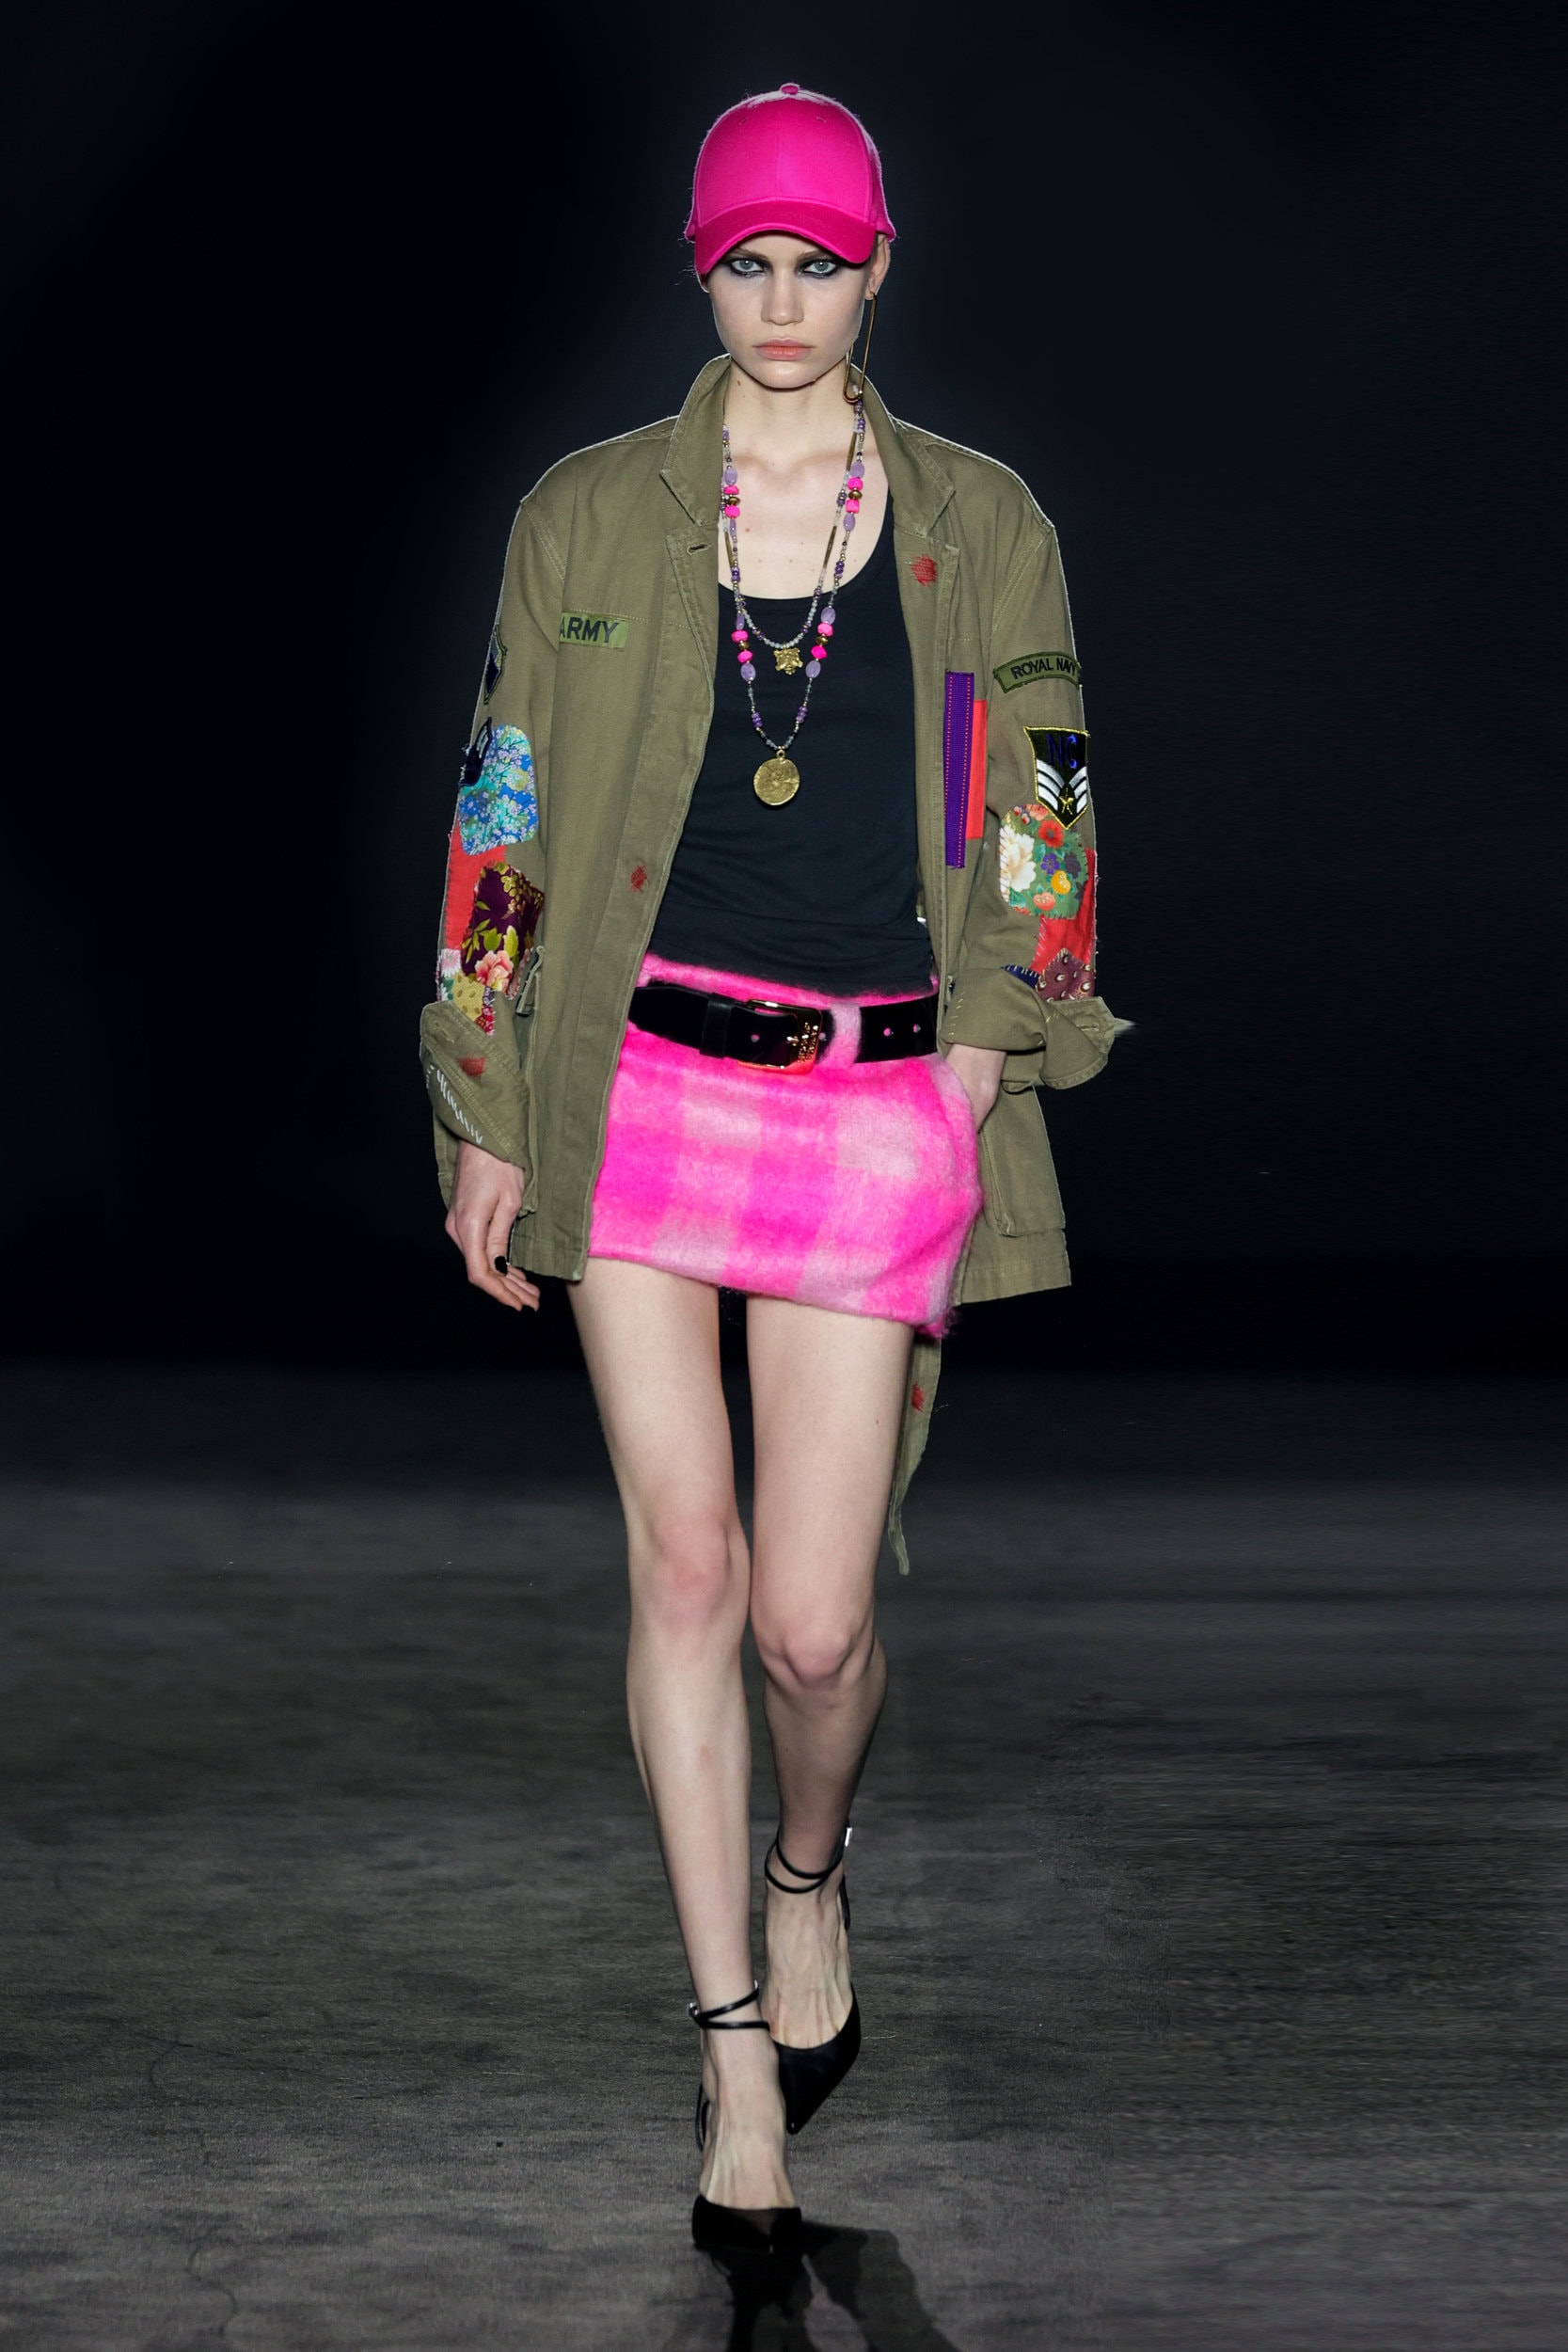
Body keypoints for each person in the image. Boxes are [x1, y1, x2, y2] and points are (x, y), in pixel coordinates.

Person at [419, 85, 1117, 2247]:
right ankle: (733, 2051)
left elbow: (1046, 802)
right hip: (633, 1081)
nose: (786, 297)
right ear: (702, 274)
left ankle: (812, 1869)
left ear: (879, 268)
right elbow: (504, 808)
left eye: (822, 259)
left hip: (873, 1088)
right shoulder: (588, 514)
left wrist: (984, 1057)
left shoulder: (981, 520)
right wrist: (480, 1091)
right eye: (750, 260)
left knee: (816, 1631)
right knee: (689, 1572)